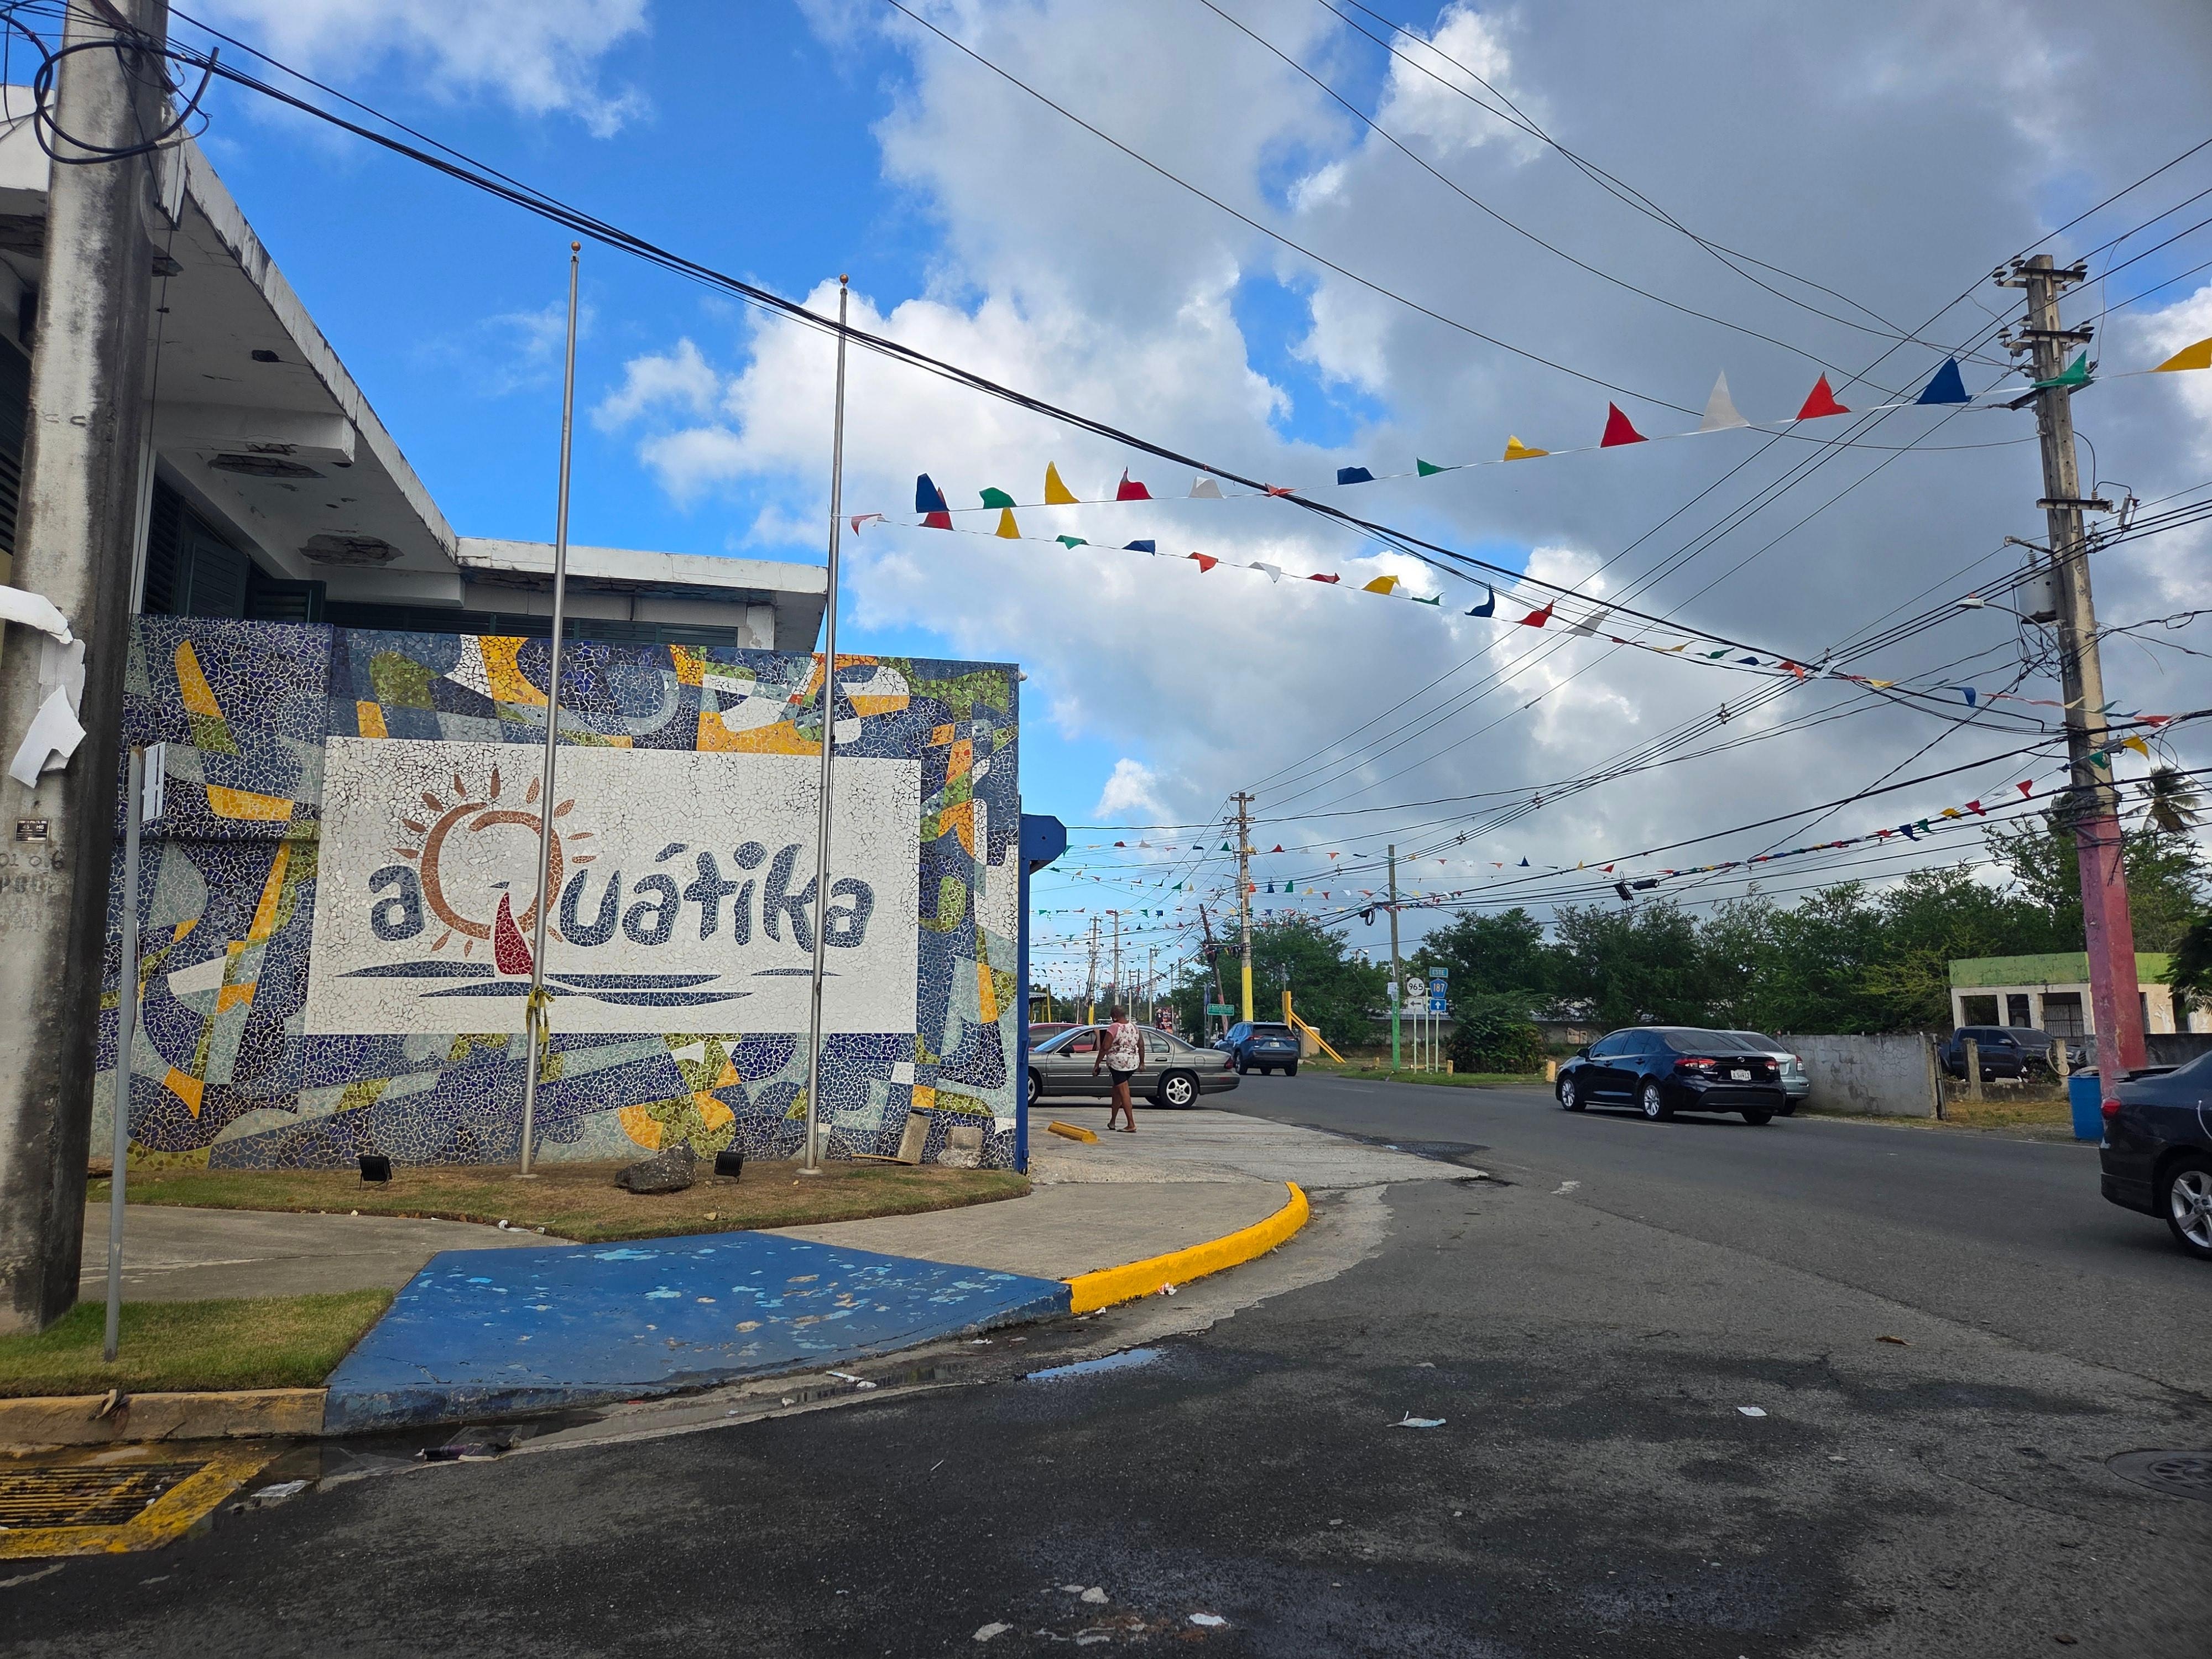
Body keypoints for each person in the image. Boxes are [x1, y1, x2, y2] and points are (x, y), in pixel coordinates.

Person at [1094, 1005, 1143, 1133]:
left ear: (1115, 1016)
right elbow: (1141, 1046)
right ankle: (1113, 1122)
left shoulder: (1114, 1027)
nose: (1111, 1018)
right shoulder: (1134, 1027)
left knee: (1124, 1092)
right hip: (1132, 1063)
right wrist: (1142, 1063)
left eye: (1112, 1016)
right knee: (1117, 1092)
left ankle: (1131, 1124)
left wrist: (1097, 1064)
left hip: (1118, 1065)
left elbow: (1105, 1047)